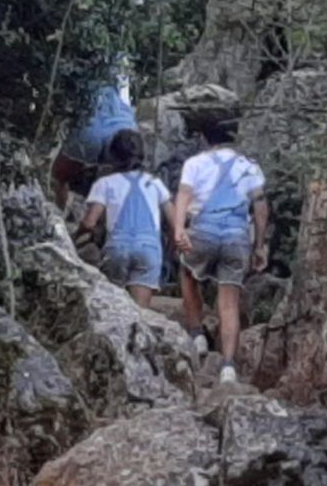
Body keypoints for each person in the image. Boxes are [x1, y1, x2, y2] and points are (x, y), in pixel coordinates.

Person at [170, 115, 268, 383]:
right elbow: (260, 206)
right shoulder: (250, 166)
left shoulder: (195, 163)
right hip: (237, 236)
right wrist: (259, 246)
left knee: (188, 272)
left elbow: (184, 195)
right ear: (235, 137)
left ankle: (197, 334)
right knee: (229, 303)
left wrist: (179, 228)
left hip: (202, 232)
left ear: (205, 138)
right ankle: (227, 367)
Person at [77, 129, 168, 306]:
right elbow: (174, 221)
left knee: (115, 310)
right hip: (149, 249)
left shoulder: (104, 184)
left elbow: (89, 223)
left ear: (112, 155)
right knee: (141, 315)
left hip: (116, 248)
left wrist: (74, 239)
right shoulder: (155, 183)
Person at [53, 71, 136, 205]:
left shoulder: (130, 131)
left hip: (100, 129)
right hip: (124, 131)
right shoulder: (89, 140)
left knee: (61, 176)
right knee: (61, 175)